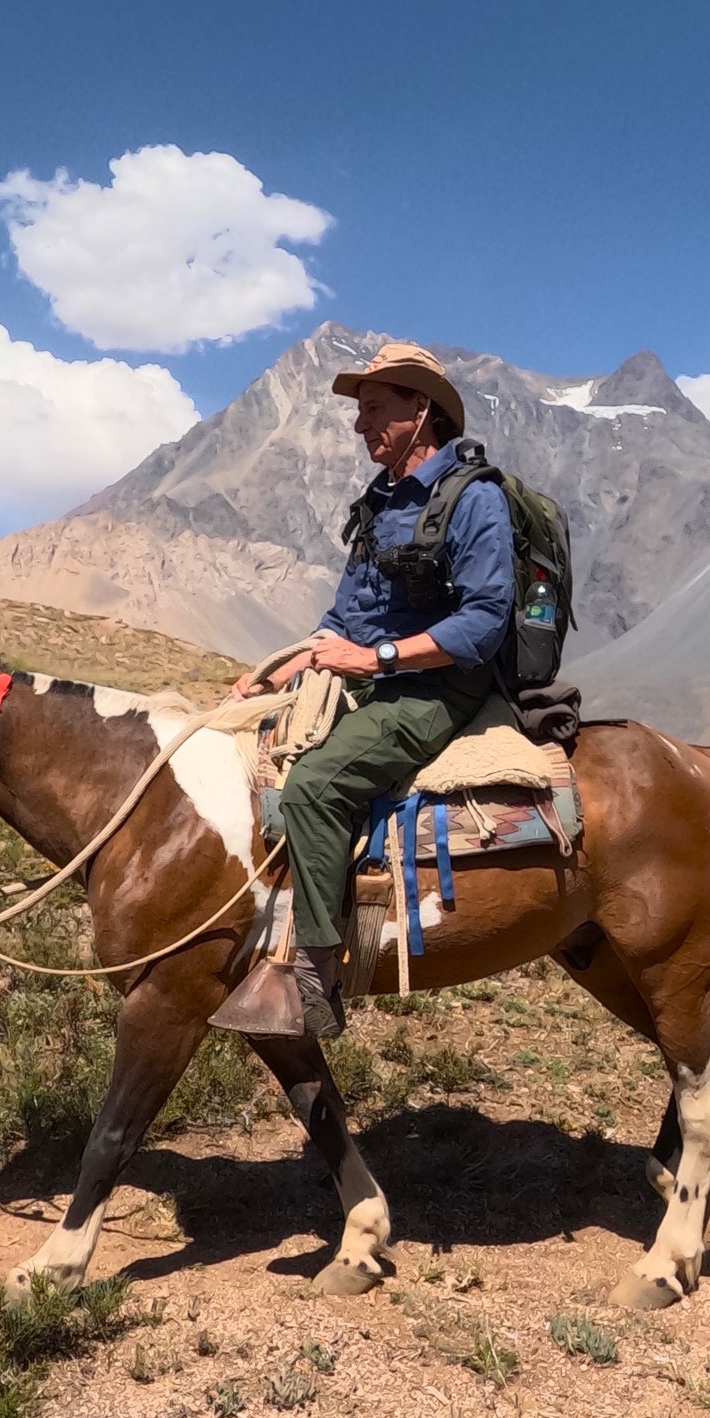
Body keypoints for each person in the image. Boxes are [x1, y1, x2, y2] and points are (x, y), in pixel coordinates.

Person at [232, 341, 515, 1037]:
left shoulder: (475, 500)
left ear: (421, 410)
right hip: (371, 673)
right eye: (359, 413)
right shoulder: (378, 504)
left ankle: (315, 982)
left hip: (438, 689)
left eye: (374, 410)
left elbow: (481, 623)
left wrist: (375, 659)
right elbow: (342, 620)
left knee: (316, 784)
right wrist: (280, 670)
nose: (360, 426)